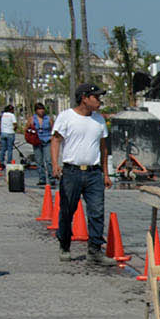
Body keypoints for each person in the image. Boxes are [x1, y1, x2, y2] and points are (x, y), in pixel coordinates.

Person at [50, 82, 110, 264]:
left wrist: (106, 174)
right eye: (96, 97)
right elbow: (56, 140)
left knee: (97, 211)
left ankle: (95, 250)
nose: (99, 100)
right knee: (67, 210)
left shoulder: (99, 120)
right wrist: (55, 164)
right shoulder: (66, 117)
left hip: (94, 173)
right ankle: (65, 245)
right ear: (84, 98)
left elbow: (103, 148)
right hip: (72, 172)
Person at [28, 101, 53, 189]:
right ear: (36, 111)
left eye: (42, 109)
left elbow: (53, 128)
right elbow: (28, 129)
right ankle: (42, 178)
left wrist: (52, 137)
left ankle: (52, 178)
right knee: (39, 161)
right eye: (39, 109)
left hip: (47, 140)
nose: (41, 111)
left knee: (48, 160)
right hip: (37, 141)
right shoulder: (32, 119)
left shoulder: (48, 118)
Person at [0, 104, 17, 169]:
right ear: (11, 110)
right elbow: (15, 124)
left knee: (3, 149)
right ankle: (9, 163)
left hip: (3, 133)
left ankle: (1, 162)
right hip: (10, 133)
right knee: (10, 149)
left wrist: (0, 131)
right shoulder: (12, 115)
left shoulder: (2, 115)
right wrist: (14, 130)